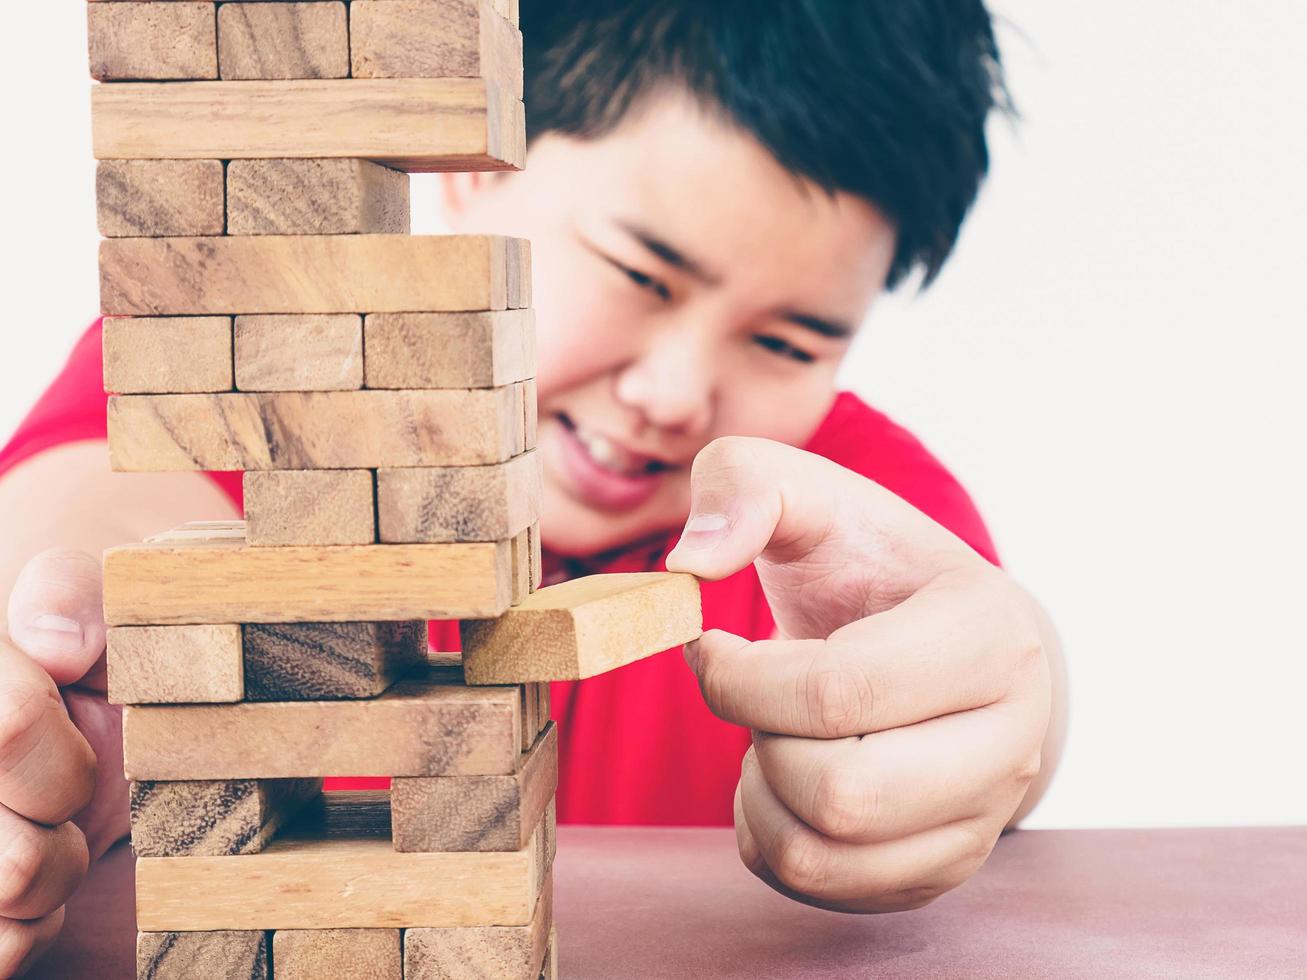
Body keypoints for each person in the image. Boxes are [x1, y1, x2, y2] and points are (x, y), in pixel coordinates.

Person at [0, 0, 1067, 972]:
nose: (672, 392)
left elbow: (985, 652)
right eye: (642, 274)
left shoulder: (844, 505)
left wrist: (1022, 709)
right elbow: (86, 508)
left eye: (787, 341)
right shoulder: (262, 360)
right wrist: (53, 652)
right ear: (479, 163)